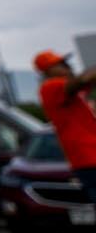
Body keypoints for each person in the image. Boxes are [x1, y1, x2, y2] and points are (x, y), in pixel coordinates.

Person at [33, 49, 96, 201]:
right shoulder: (50, 87)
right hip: (88, 158)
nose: (67, 66)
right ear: (48, 70)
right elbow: (82, 80)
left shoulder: (63, 87)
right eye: (61, 64)